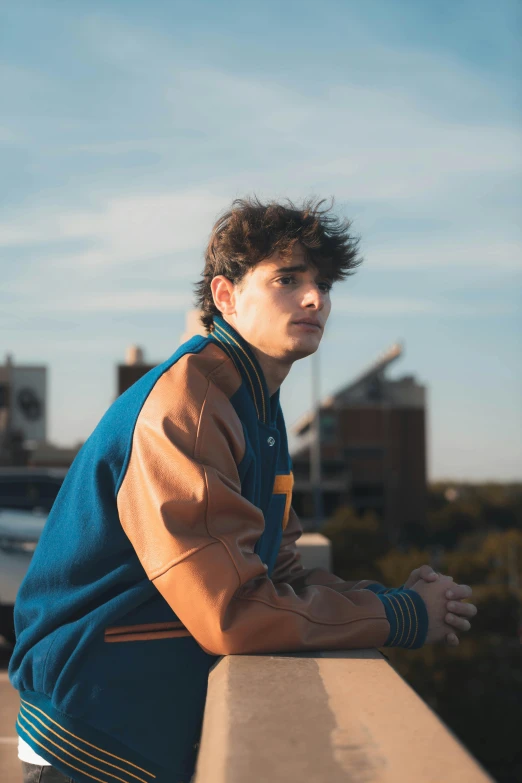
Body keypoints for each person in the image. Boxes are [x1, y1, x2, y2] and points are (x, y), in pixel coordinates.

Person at [9, 197, 477, 783]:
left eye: (323, 283)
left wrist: (388, 595)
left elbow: (278, 572)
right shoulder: (190, 406)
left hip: (138, 711)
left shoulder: (252, 400)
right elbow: (230, 612)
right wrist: (400, 617)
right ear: (226, 296)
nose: (315, 299)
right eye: (287, 279)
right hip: (95, 732)